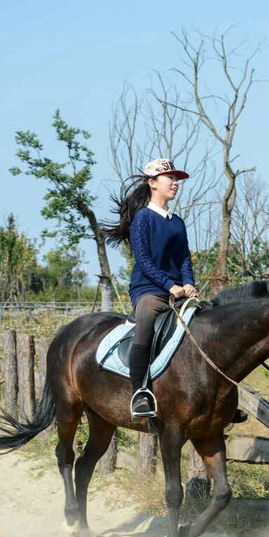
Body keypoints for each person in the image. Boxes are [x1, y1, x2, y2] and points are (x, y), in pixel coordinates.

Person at [104, 158, 197, 417]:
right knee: (145, 326)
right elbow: (143, 261)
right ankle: (140, 392)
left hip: (179, 290)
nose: (176, 184)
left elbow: (184, 258)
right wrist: (170, 285)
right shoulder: (143, 218)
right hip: (149, 290)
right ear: (153, 183)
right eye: (171, 178)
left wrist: (188, 282)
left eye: (177, 179)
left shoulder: (177, 221)